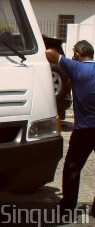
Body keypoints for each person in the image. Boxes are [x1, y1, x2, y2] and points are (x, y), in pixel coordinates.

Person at [46, 40, 95, 213]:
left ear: (77, 55)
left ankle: (67, 207)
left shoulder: (75, 67)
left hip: (84, 129)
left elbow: (50, 53)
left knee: (72, 167)